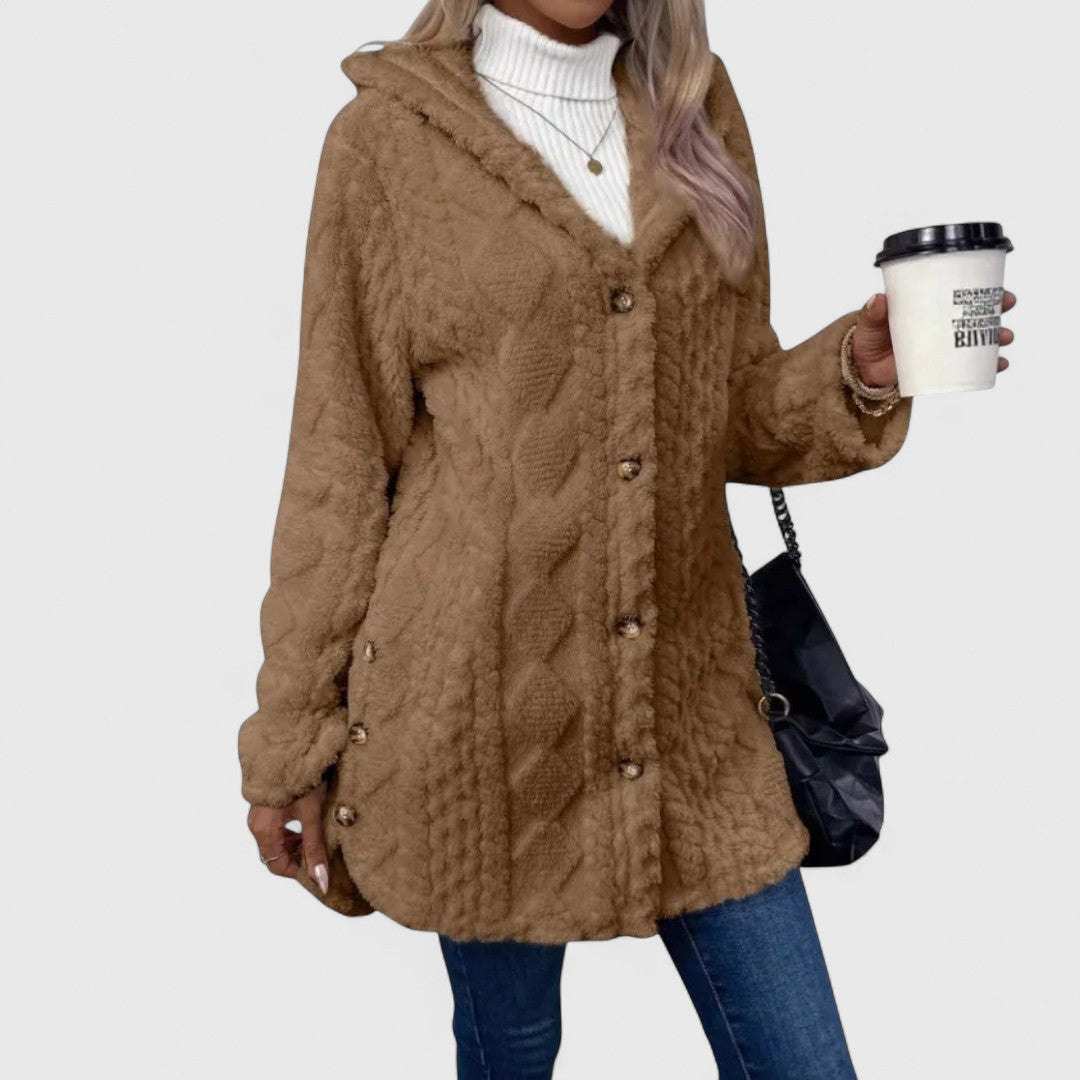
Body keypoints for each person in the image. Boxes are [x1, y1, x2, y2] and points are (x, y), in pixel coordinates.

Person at [238, 2, 1016, 1077]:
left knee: (803, 1059)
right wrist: (289, 743)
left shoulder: (695, 107)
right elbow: (338, 458)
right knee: (512, 1051)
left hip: (690, 709)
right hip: (482, 719)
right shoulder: (386, 140)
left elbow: (729, 410)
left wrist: (858, 369)